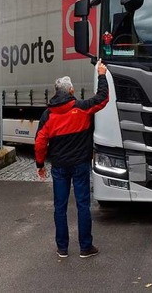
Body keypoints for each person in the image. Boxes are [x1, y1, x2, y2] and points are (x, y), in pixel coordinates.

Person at [34, 59, 109, 259]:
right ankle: (85, 247)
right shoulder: (82, 107)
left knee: (60, 206)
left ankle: (62, 248)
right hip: (80, 165)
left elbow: (40, 142)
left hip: (59, 167)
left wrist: (40, 165)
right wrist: (102, 74)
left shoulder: (48, 114)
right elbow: (102, 98)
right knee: (83, 204)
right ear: (71, 91)